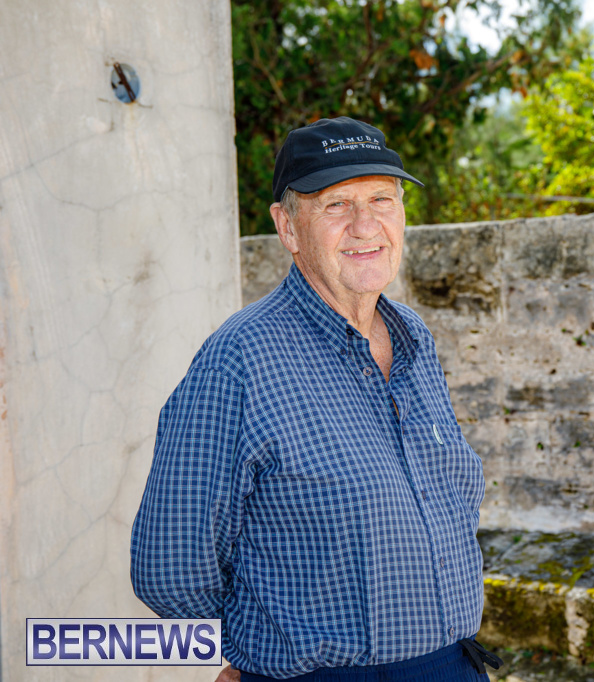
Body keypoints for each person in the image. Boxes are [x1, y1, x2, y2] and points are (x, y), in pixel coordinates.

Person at [131, 117, 501, 681]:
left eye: (382, 198)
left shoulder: (413, 339)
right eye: (335, 205)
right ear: (287, 226)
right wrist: (259, 654)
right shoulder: (239, 360)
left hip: (454, 666)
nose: (365, 225)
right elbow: (171, 568)